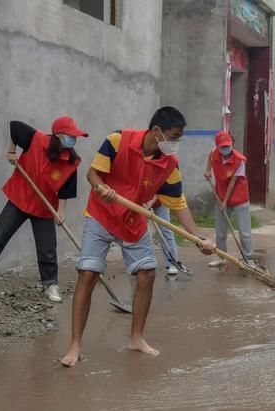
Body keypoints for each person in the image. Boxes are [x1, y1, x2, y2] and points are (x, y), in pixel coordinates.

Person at [60, 107, 215, 367]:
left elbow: (179, 205)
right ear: (157, 131)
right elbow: (92, 174)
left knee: (147, 273)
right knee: (88, 272)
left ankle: (136, 338)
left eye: (179, 138)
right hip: (102, 214)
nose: (175, 143)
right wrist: (102, 188)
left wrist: (198, 237)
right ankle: (75, 346)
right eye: (174, 136)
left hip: (134, 220)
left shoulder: (170, 166)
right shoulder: (117, 140)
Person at [0, 117, 88, 303]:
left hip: (45, 207)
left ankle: (50, 284)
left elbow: (65, 191)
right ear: (59, 135)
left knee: (47, 248)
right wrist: (11, 151)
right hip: (20, 198)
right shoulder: (35, 139)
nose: (73, 141)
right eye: (71, 136)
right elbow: (14, 126)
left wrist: (60, 213)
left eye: (75, 137)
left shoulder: (71, 161)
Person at [204, 131, 253, 267]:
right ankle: (222, 257)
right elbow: (211, 154)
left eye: (228, 145)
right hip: (220, 195)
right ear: (218, 147)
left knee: (244, 232)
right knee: (220, 231)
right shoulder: (214, 153)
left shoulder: (240, 160)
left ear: (232, 144)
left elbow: (232, 183)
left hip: (239, 198)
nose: (225, 148)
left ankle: (248, 259)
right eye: (222, 146)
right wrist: (208, 170)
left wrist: (225, 202)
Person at [145, 165, 190, 276]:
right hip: (142, 198)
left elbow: (161, 187)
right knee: (142, 231)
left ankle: (172, 263)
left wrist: (151, 201)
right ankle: (143, 264)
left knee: (165, 229)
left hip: (162, 199)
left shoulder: (167, 163)